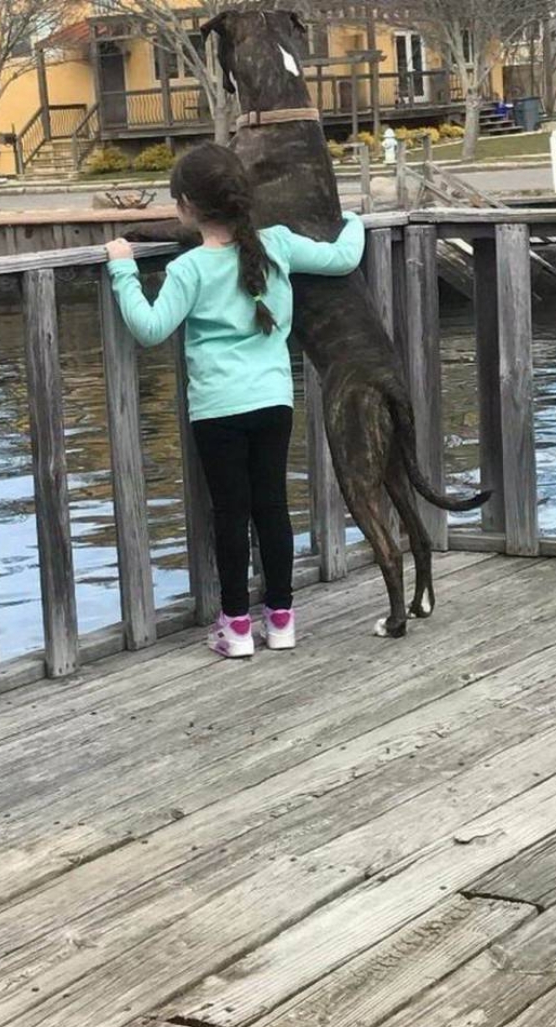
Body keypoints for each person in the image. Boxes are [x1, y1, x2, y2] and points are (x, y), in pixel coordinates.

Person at [106, 142, 364, 659]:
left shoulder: (190, 268)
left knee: (231, 514)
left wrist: (123, 270)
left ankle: (236, 626)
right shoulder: (278, 245)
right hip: (273, 401)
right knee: (272, 506)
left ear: (186, 207)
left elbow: (150, 328)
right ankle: (282, 619)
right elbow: (343, 258)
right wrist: (354, 219)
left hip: (218, 409)